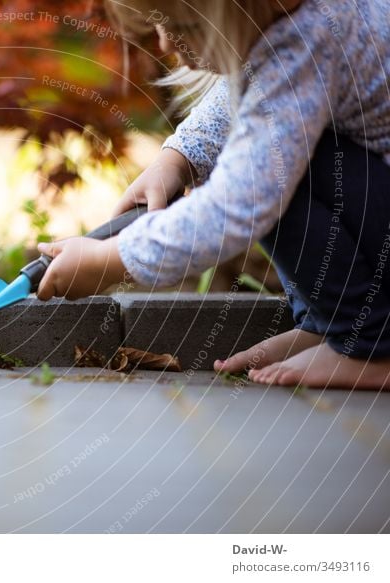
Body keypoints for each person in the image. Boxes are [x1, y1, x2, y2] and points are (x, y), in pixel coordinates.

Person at [36, 0, 390, 389]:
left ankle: (371, 346)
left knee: (264, 170)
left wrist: (113, 259)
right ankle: (331, 323)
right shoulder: (304, 22)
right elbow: (252, 89)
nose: (166, 44)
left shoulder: (307, 40)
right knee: (278, 147)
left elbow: (237, 204)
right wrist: (177, 158)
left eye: (185, 27)